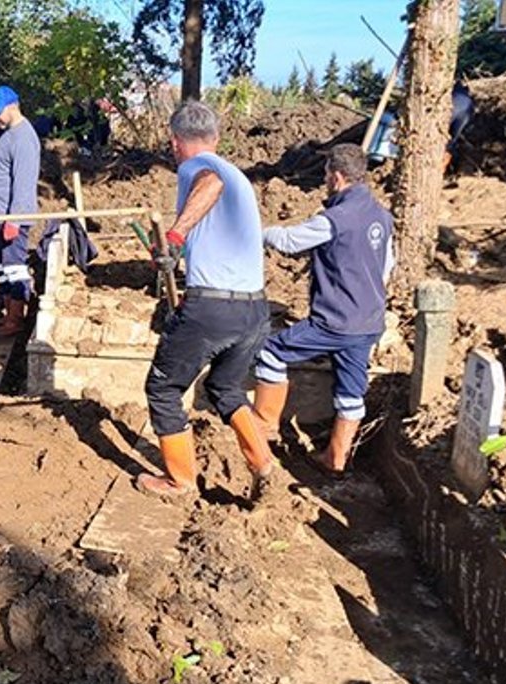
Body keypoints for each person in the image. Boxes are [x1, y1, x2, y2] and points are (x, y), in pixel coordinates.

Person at [137, 100, 274, 501]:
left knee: (163, 388)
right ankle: (263, 463)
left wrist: (175, 238)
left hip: (214, 308)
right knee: (226, 389)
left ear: (175, 142)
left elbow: (208, 182)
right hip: (254, 310)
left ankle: (180, 482)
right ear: (215, 137)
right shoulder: (240, 177)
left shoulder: (197, 167)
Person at [252, 143, 394, 474]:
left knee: (272, 352)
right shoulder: (381, 217)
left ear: (338, 177)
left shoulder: (336, 219)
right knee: (350, 392)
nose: (325, 180)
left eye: (327, 174)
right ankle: (336, 458)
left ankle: (263, 428)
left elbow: (289, 242)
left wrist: (258, 235)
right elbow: (386, 267)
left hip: (335, 321)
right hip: (368, 320)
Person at [0, 85, 40, 337]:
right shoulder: (7, 133)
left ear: (12, 106)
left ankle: (16, 321)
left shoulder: (25, 137)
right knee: (0, 266)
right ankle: (8, 316)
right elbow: (4, 162)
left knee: (14, 268)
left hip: (10, 218)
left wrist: (14, 220)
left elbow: (24, 182)